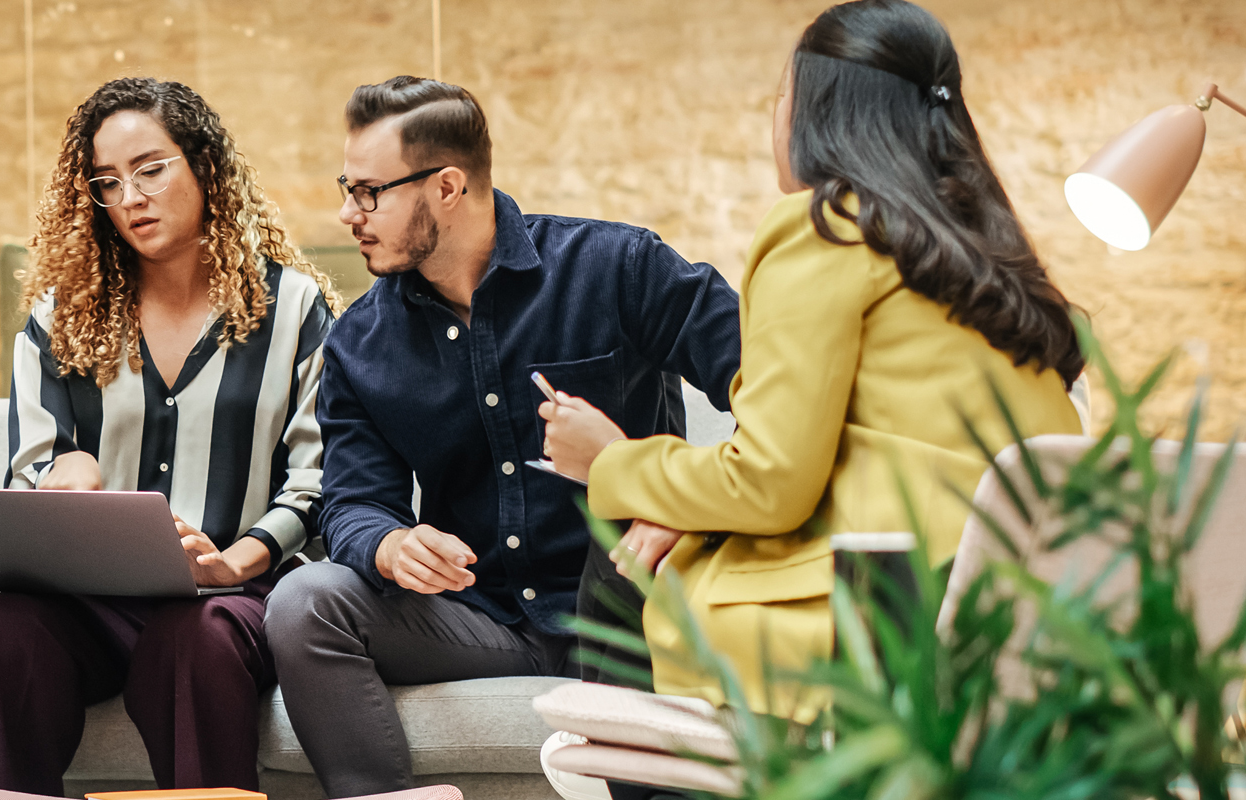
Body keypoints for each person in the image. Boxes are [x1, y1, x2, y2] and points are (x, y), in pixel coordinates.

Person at [540, 0, 1085, 717]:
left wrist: (612, 462)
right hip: (1020, 616)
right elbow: (853, 457)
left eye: (779, 95)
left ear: (815, 113)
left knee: (617, 554)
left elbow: (772, 483)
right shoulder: (990, 254)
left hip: (883, 612)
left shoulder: (825, 226)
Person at [263, 76, 744, 799]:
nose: (346, 214)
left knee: (622, 572)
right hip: (480, 617)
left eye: (369, 192)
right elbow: (353, 503)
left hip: (627, 604)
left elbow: (773, 390)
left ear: (448, 186)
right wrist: (388, 544)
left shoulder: (616, 268)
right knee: (305, 603)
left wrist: (683, 495)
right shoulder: (361, 342)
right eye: (347, 188)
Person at [0, 76, 338, 794]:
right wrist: (57, 480)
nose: (129, 198)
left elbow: (318, 479)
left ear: (205, 167)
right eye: (106, 182)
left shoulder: (294, 309)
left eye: (150, 170)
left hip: (232, 601)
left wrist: (235, 562)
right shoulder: (56, 319)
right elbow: (29, 468)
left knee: (187, 638)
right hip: (88, 608)